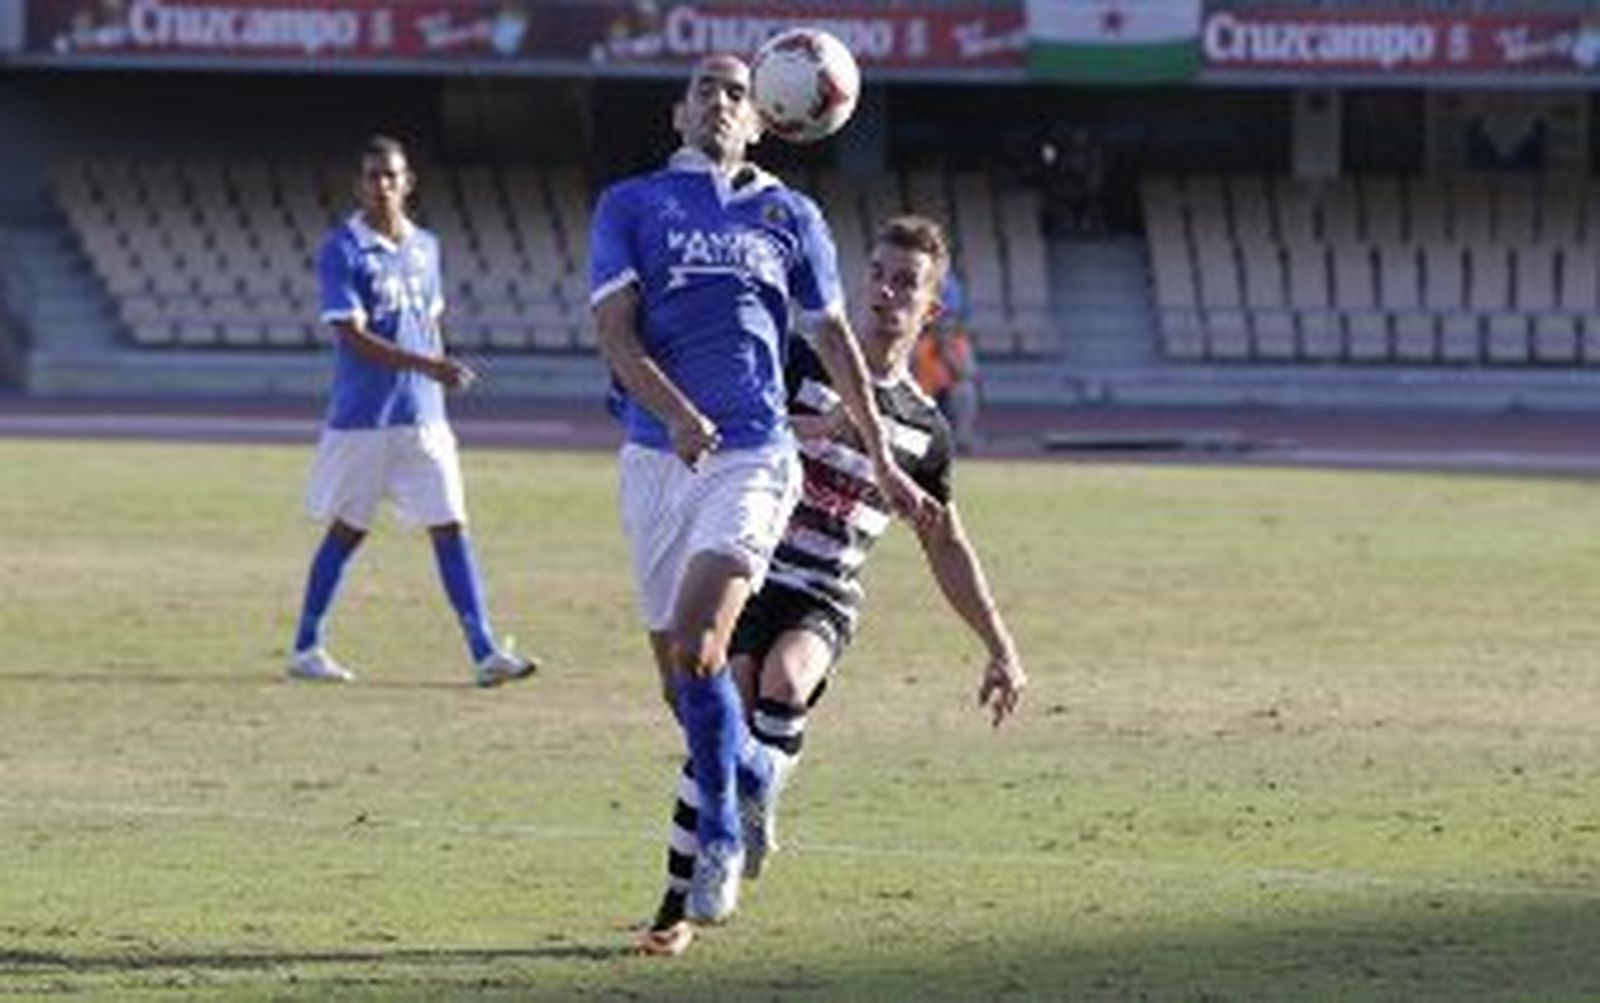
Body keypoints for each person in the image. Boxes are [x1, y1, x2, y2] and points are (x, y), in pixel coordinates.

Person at [590, 55, 929, 930]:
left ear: (763, 118)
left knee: (703, 645)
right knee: (682, 687)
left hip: (752, 455)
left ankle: (719, 841)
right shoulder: (630, 205)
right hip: (655, 458)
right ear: (679, 114)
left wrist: (885, 458)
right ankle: (750, 775)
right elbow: (615, 334)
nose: (720, 101)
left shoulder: (791, 215)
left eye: (737, 92)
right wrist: (674, 412)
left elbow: (835, 341)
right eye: (704, 88)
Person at [638, 215, 1028, 957]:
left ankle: (755, 805)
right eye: (878, 275)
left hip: (824, 593)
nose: (886, 292)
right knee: (721, 725)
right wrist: (826, 429)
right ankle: (674, 904)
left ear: (930, 310)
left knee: (785, 679)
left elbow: (945, 542)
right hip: (751, 569)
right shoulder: (799, 359)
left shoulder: (925, 430)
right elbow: (732, 434)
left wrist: (1000, 647)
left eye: (906, 284)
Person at [287, 134, 537, 688]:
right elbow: (352, 337)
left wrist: (435, 371)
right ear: (359, 185)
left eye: (391, 175)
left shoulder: (426, 247)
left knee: (450, 525)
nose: (382, 185)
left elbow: (429, 322)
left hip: (424, 418)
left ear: (408, 183)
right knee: (348, 530)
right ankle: (305, 646)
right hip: (363, 419)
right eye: (372, 176)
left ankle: (484, 651)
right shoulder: (342, 249)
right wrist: (431, 366)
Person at [911, 281, 980, 454]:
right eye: (939, 319)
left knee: (966, 390)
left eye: (948, 319)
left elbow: (964, 374)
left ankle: (962, 438)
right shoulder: (919, 343)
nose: (943, 324)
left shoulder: (959, 344)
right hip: (924, 397)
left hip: (948, 396)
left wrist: (945, 351)